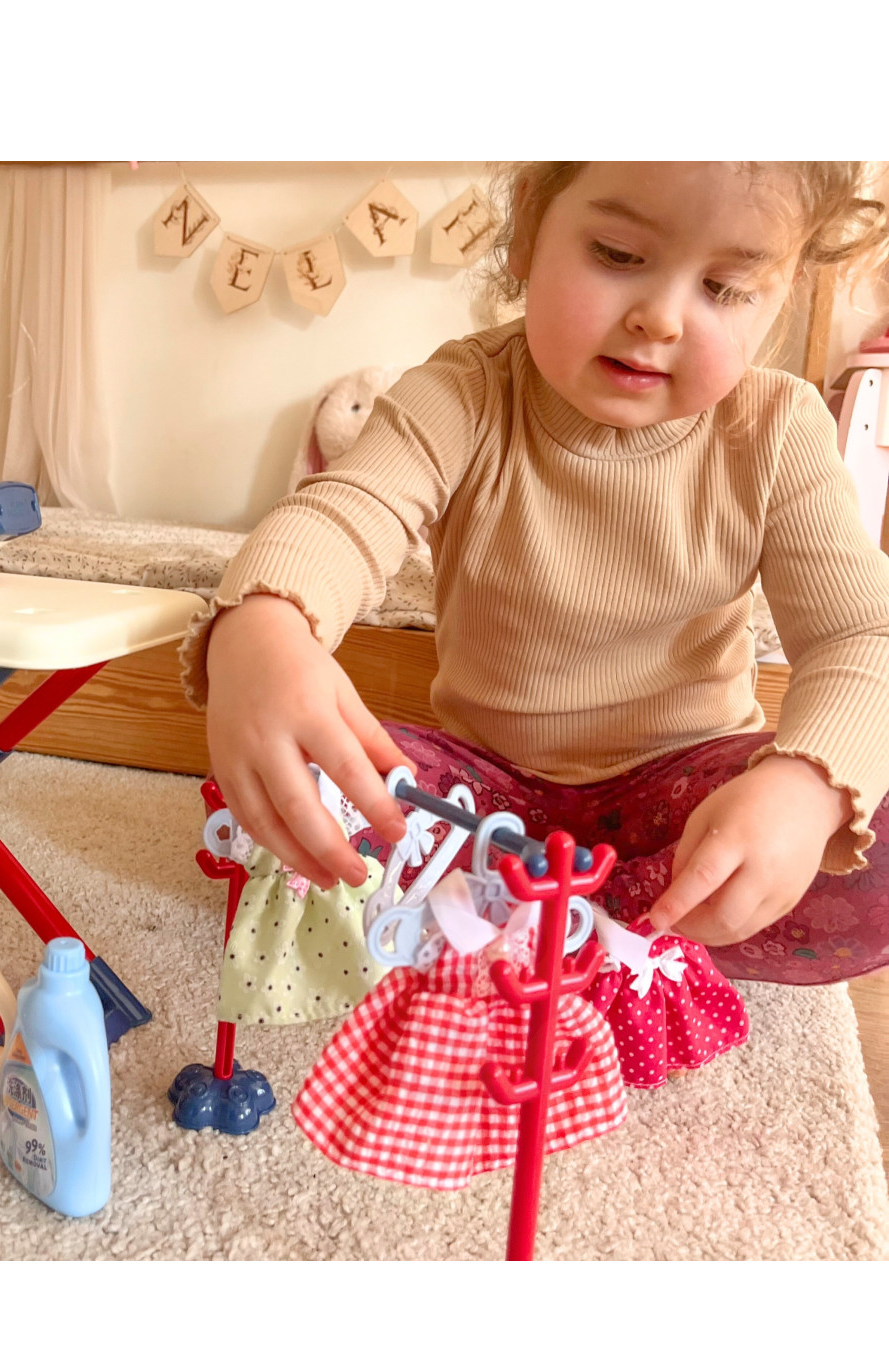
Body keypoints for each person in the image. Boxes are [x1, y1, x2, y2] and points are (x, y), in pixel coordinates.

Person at [180, 161, 889, 990]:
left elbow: (864, 633)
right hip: (484, 803)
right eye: (618, 254)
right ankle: (592, 939)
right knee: (282, 795)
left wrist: (807, 785)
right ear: (528, 228)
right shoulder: (461, 393)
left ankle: (565, 927)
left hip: (685, 805)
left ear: (782, 294)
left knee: (864, 817)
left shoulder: (779, 427)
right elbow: (344, 514)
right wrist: (263, 621)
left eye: (726, 289)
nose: (661, 318)